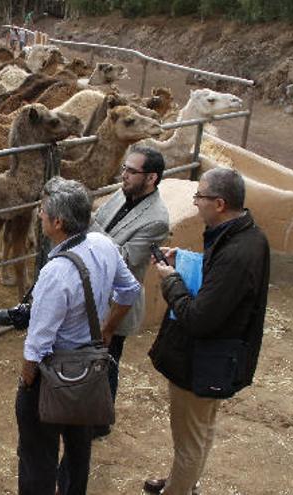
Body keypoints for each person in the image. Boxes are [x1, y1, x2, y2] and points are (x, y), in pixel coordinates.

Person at [145, 168, 270, 494]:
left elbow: (198, 318)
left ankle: (180, 489)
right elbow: (219, 276)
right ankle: (181, 483)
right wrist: (185, 259)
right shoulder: (244, 235)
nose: (195, 202)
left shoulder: (237, 253)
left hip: (203, 359)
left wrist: (171, 279)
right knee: (200, 430)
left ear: (218, 203)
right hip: (217, 357)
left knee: (191, 439)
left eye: (199, 196)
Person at [17, 177, 141, 495]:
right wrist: (108, 328)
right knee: (78, 449)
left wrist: (27, 382)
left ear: (57, 222)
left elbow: (38, 341)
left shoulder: (55, 272)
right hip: (88, 367)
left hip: (51, 372)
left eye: (42, 211)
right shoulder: (103, 244)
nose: (39, 215)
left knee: (37, 456)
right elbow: (129, 290)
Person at [92, 146, 170, 431]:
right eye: (125, 168)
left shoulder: (157, 218)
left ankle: (101, 422)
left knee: (107, 363)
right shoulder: (122, 192)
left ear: (151, 179)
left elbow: (124, 257)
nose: (123, 175)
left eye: (131, 171)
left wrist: (85, 224)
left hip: (117, 302)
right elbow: (101, 222)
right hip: (94, 292)